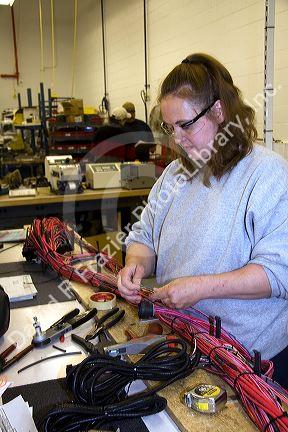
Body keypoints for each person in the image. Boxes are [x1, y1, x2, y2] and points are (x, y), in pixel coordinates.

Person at [117, 53, 288, 388]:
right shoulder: (174, 175)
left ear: (219, 111)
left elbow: (277, 274)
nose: (177, 139)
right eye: (170, 127)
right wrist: (134, 266)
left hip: (252, 362)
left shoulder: (267, 174)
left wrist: (200, 287)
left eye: (187, 125)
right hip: (186, 346)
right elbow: (145, 236)